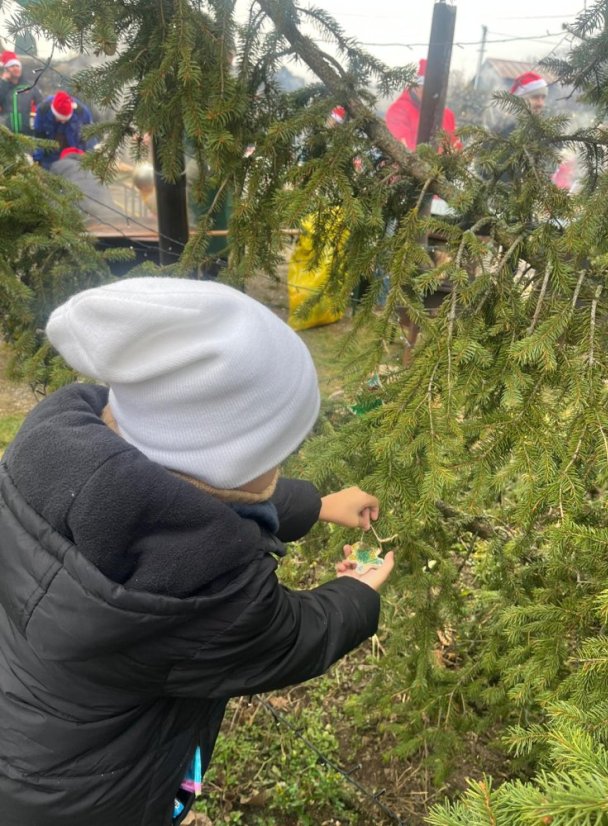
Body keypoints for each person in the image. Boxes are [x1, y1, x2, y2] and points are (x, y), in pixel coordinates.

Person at [0, 276, 394, 826]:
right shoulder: (207, 595)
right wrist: (358, 591)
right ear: (233, 465)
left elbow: (193, 487)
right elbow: (295, 637)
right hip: (92, 802)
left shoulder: (55, 447)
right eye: (278, 452)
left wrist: (318, 504)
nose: (281, 464)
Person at [385, 58, 460, 151]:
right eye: (425, 87)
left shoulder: (447, 115)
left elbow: (456, 150)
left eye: (434, 89)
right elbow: (400, 150)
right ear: (416, 87)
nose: (430, 93)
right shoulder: (399, 111)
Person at [32, 89, 94, 168]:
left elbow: (90, 136)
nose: (63, 122)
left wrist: (89, 157)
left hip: (74, 156)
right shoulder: (43, 110)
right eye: (60, 119)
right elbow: (39, 138)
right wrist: (38, 159)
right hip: (49, 158)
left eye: (66, 119)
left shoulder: (81, 112)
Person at [0, 50, 41, 136]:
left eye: (17, 66)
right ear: (6, 69)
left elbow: (41, 105)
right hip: (6, 135)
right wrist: (3, 82)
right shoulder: (2, 86)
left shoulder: (30, 86)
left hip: (27, 135)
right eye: (12, 66)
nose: (16, 68)